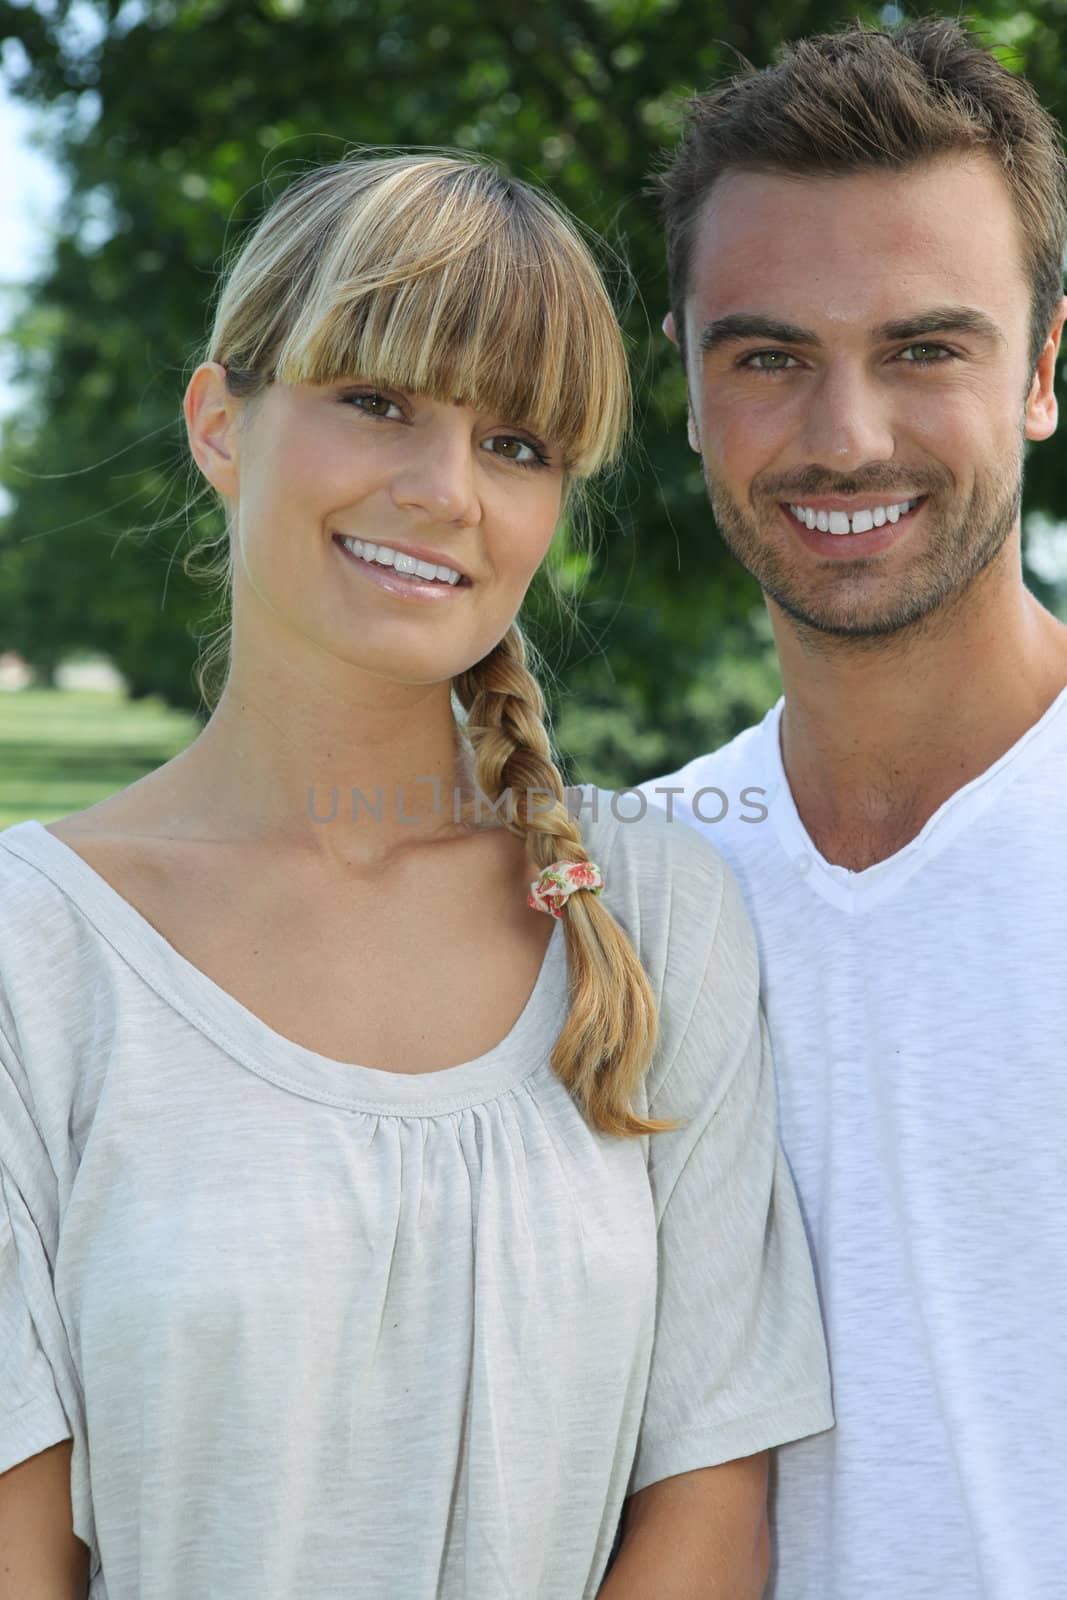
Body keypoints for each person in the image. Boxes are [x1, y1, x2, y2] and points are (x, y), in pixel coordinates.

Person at [0, 153, 832, 1600]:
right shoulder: (32, 954)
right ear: (220, 424)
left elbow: (710, 1513)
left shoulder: (653, 915)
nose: (443, 489)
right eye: (376, 402)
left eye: (516, 443)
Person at [643, 17, 1067, 1599]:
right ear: (686, 386)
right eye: (768, 356)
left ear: (1040, 372)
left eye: (925, 349)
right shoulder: (631, 883)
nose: (845, 439)